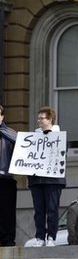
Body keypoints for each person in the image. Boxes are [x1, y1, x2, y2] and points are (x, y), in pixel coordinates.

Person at [29, 106, 66, 247]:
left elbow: (63, 152)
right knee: (39, 210)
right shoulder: (33, 137)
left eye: (42, 118)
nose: (39, 121)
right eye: (38, 118)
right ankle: (40, 237)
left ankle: (51, 236)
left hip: (53, 179)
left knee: (52, 209)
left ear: (50, 119)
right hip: (37, 179)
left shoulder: (60, 135)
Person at [0, 105, 17, 247]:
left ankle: (8, 239)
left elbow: (22, 144)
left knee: (7, 211)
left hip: (5, 178)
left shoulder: (10, 133)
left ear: (2, 116)